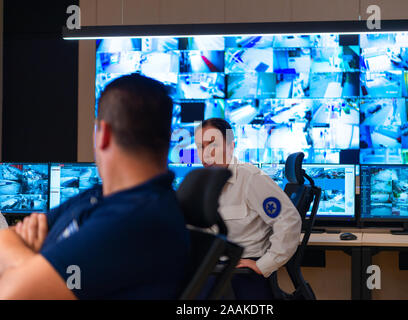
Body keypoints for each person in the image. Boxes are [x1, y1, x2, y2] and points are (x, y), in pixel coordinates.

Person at [0, 74, 190, 299]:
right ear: (170, 137)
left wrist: (28, 268)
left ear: (103, 134)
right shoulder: (100, 197)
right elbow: (8, 240)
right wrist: (35, 268)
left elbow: (11, 293)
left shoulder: (133, 220)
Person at [194, 118, 302, 300]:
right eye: (200, 147)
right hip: (215, 271)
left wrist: (264, 265)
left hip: (241, 278)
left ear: (230, 146)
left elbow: (289, 220)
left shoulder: (251, 178)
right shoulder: (203, 183)